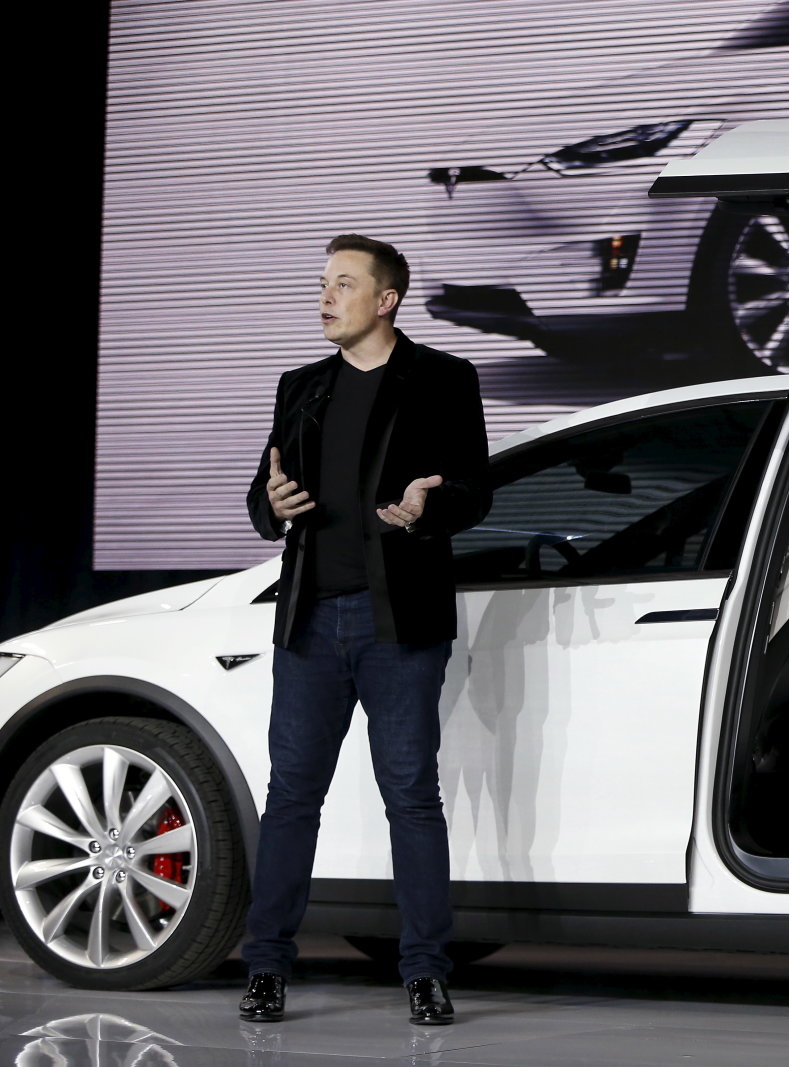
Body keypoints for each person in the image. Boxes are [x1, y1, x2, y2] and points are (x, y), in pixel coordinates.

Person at [238, 234, 490, 1025]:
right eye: (323, 282)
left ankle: (425, 971)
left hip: (399, 622)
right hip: (310, 619)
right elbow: (263, 494)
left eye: (343, 283)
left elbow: (475, 490)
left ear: (386, 300)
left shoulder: (443, 378)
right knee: (291, 795)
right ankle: (266, 966)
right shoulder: (301, 386)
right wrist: (270, 505)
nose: (326, 296)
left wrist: (425, 508)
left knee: (411, 795)